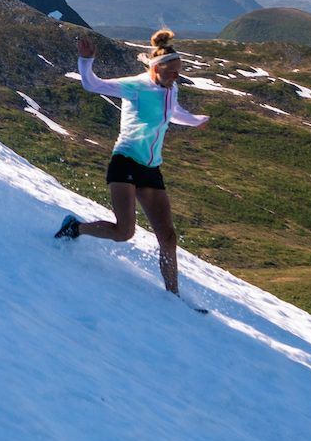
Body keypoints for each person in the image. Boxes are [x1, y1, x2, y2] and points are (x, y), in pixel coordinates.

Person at [55, 29, 207, 295]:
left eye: (178, 72)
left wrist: (195, 120)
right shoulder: (136, 86)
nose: (176, 76)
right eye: (172, 72)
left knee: (168, 237)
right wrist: (85, 61)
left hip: (151, 169)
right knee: (125, 232)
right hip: (124, 160)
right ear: (156, 69)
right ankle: (74, 228)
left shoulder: (171, 89)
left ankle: (173, 295)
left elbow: (174, 113)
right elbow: (93, 85)